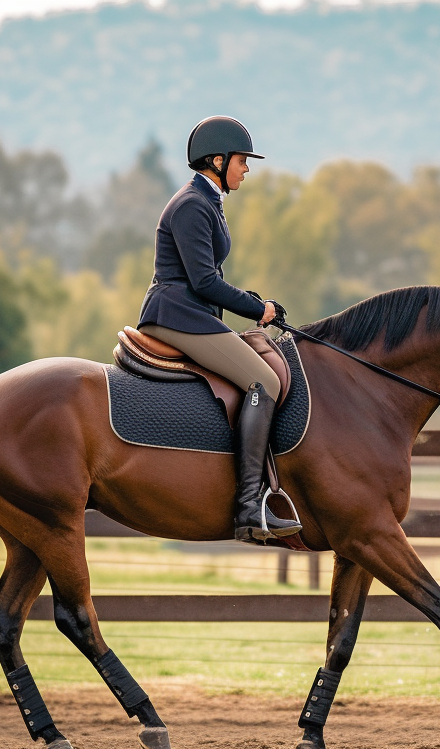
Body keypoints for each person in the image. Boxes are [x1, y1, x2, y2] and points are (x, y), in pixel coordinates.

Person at [137, 116, 301, 543]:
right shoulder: (192, 205)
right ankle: (250, 506)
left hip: (192, 313)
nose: (246, 168)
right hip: (178, 314)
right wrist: (256, 307)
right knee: (262, 381)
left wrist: (255, 304)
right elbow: (204, 282)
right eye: (242, 160)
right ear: (217, 159)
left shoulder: (206, 201)